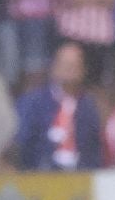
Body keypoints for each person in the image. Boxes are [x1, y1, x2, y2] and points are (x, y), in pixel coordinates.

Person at [13, 41, 103, 171]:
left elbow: (94, 148)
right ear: (53, 67)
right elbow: (21, 142)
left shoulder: (89, 107)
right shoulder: (33, 102)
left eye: (74, 66)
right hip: (39, 177)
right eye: (65, 65)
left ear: (83, 71)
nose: (69, 70)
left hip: (81, 178)